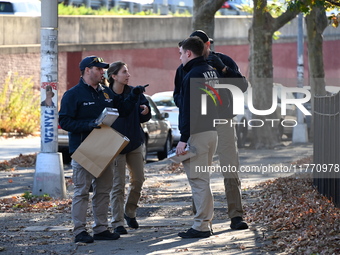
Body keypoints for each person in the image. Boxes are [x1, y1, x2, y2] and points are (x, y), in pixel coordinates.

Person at [59, 55, 145, 243]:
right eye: (98, 69)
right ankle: (79, 230)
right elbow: (64, 121)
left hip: (105, 148)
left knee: (103, 191)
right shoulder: (72, 94)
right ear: (87, 70)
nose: (102, 72)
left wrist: (133, 96)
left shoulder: (105, 93)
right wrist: (89, 124)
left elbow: (122, 110)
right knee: (82, 192)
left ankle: (100, 228)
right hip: (84, 149)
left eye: (102, 69)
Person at [174, 30, 249, 230]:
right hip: (200, 124)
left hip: (224, 120)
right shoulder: (185, 67)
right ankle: (200, 217)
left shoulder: (223, 61)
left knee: (230, 166)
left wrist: (223, 69)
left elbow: (242, 85)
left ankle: (236, 215)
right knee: (198, 170)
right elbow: (178, 94)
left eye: (204, 43)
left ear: (208, 44)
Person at [176, 36, 220, 238]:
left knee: (199, 180)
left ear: (188, 53)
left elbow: (188, 110)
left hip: (197, 134)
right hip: (211, 131)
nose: (180, 58)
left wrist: (183, 138)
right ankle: (205, 222)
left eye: (180, 54)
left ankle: (202, 225)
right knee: (204, 179)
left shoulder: (192, 74)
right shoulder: (211, 71)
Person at [106, 61, 151, 235]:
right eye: (124, 72)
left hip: (135, 142)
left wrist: (146, 110)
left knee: (138, 180)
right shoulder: (106, 95)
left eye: (128, 71)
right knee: (118, 185)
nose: (128, 74)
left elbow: (145, 116)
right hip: (115, 144)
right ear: (114, 76)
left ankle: (129, 212)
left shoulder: (135, 92)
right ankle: (117, 222)